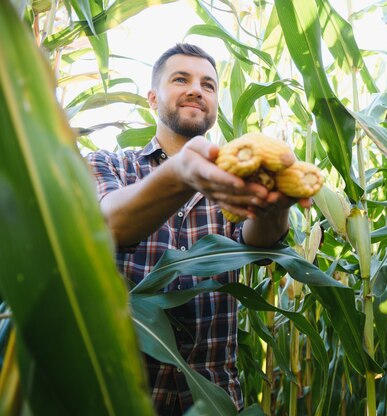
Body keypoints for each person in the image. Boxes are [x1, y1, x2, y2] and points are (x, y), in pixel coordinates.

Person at [87, 43, 309, 415]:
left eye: (208, 85)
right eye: (181, 79)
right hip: (122, 396)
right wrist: (181, 175)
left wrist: (276, 203)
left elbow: (259, 242)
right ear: (152, 98)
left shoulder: (235, 176)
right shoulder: (107, 164)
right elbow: (111, 223)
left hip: (213, 397)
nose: (196, 89)